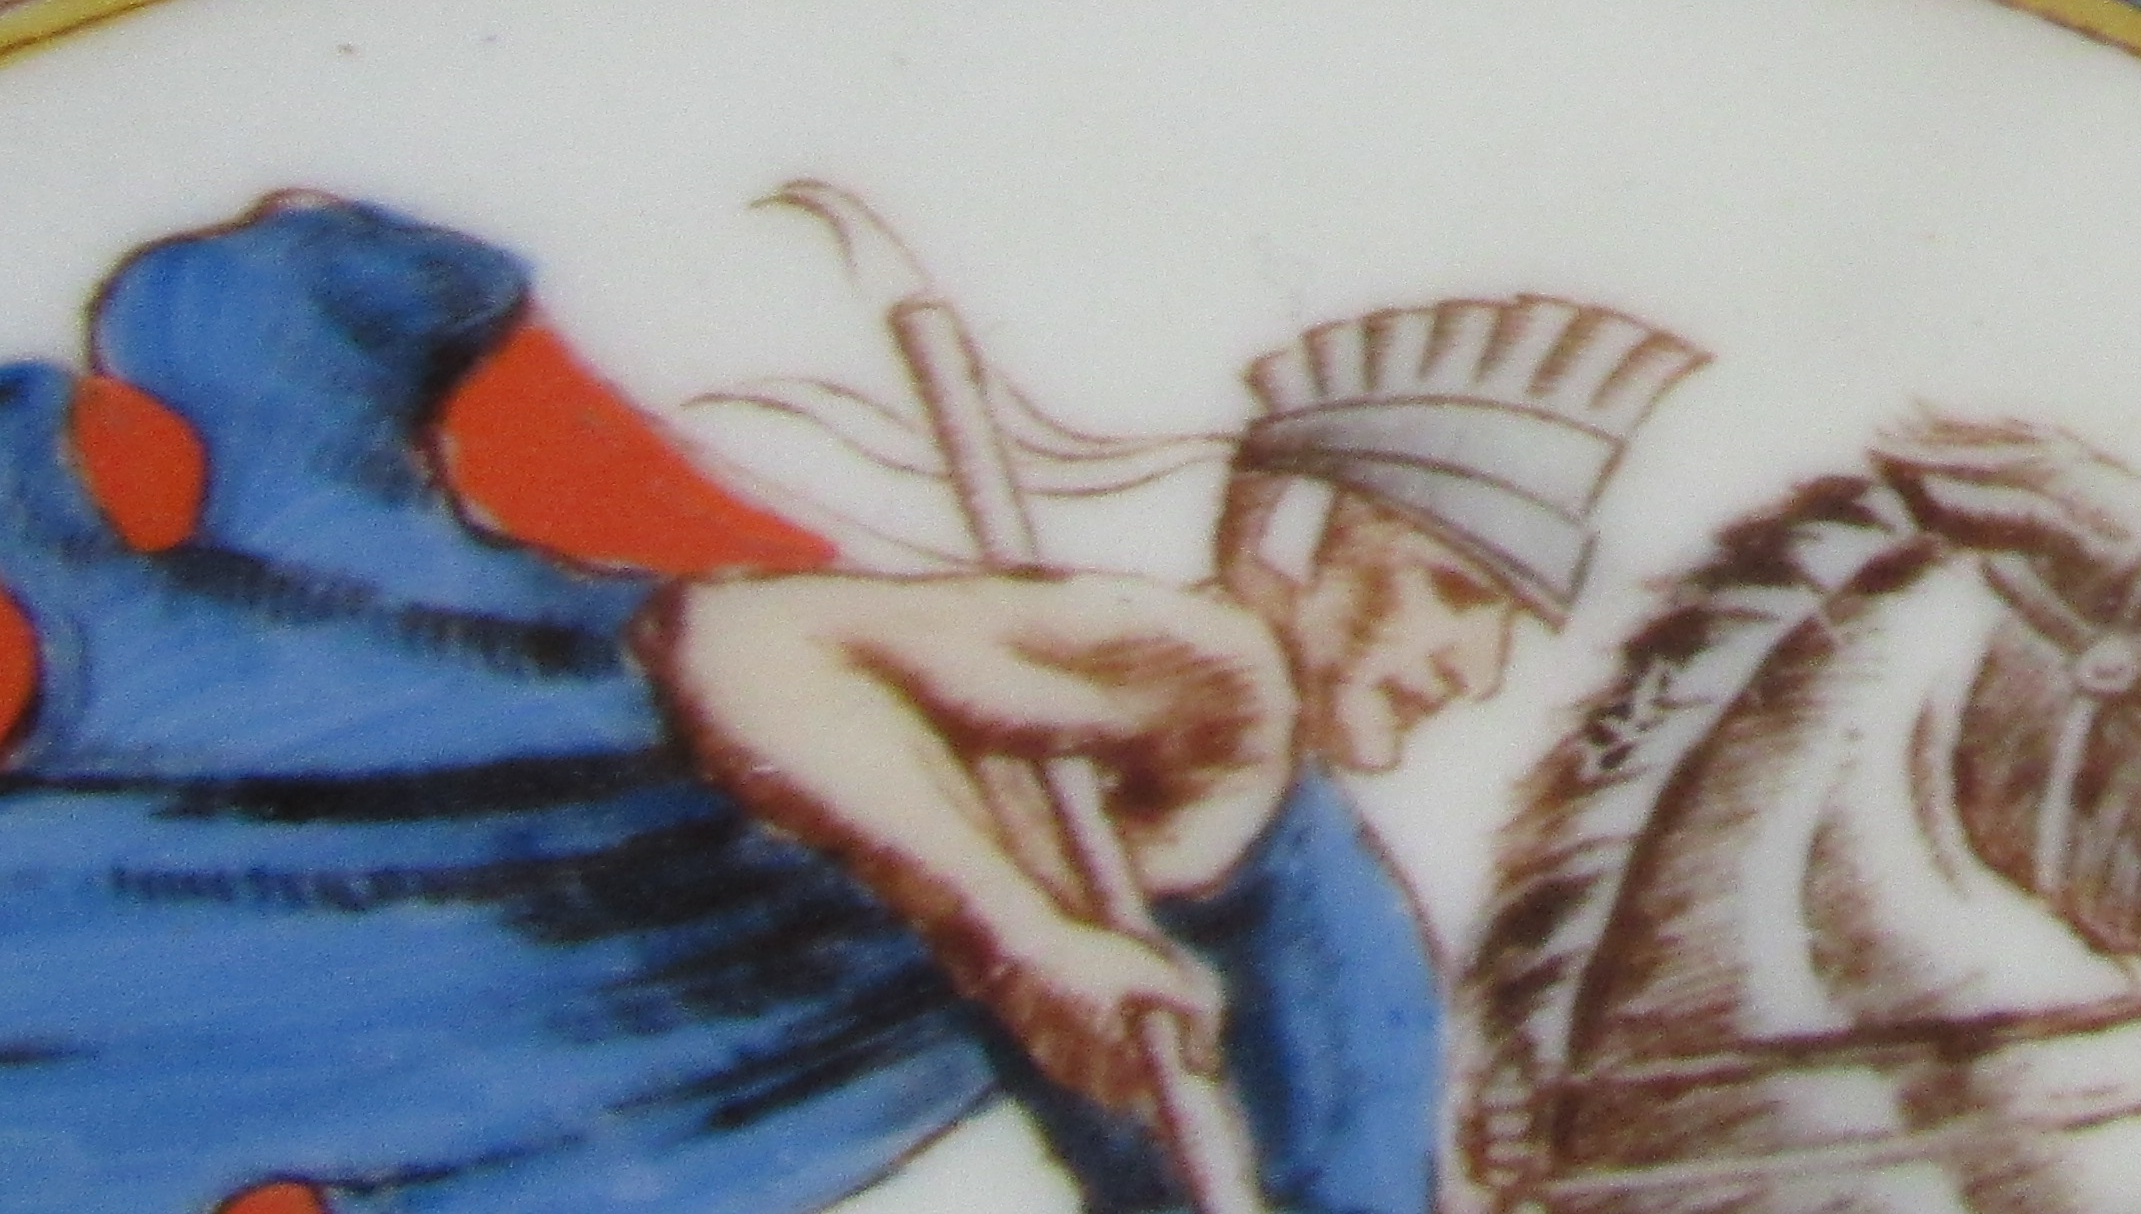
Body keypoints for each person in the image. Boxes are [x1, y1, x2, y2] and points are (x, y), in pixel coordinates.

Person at [0, 196, 1697, 1214]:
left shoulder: (1326, 908)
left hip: (575, 1053)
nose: (1471, 665)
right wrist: (1026, 943)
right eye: (1454, 590)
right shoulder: (1207, 684)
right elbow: (748, 654)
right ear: (1302, 536)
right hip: (513, 892)